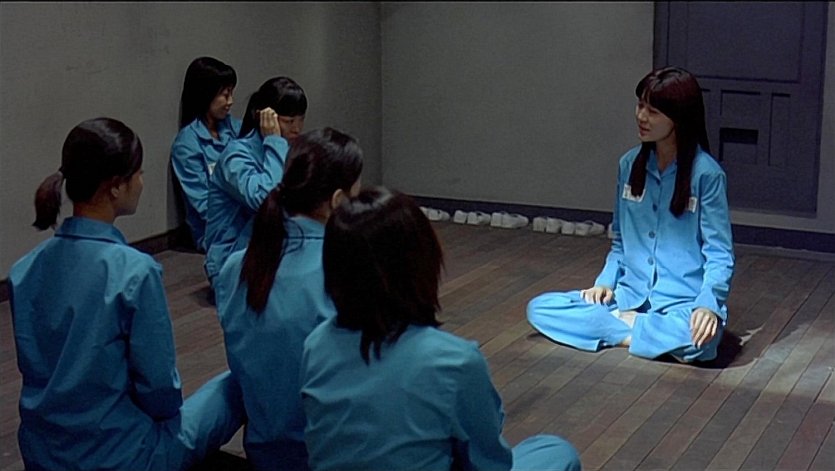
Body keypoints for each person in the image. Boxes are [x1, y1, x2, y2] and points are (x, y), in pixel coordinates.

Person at [8, 117, 245, 471]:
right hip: (120, 457)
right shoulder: (134, 272)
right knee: (235, 384)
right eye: (139, 173)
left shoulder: (23, 270)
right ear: (116, 186)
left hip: (43, 452)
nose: (142, 182)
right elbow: (161, 393)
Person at [299, 187, 582, 471]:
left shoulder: (315, 345)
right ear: (422, 263)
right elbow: (489, 462)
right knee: (557, 452)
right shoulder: (453, 361)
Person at [527, 66, 735, 363]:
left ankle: (620, 329)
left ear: (678, 118)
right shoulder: (629, 165)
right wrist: (604, 284)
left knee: (702, 342)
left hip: (681, 304)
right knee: (541, 308)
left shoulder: (707, 174)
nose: (641, 117)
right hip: (626, 297)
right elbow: (620, 243)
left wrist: (708, 305)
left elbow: (719, 253)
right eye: (640, 106)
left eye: (653, 111)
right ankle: (635, 334)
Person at [215, 127, 363, 471]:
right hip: (330, 456)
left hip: (264, 451)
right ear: (338, 200)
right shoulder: (345, 270)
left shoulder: (237, 267)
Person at [204, 76, 307, 287]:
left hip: (274, 253)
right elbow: (266, 200)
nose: (297, 128)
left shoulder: (289, 150)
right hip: (233, 260)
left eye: (301, 119)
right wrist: (274, 140)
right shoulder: (236, 156)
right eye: (289, 121)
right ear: (266, 118)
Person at [170, 56, 241, 252]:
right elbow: (204, 205)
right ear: (206, 94)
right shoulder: (187, 144)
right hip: (215, 233)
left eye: (231, 94)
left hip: (246, 221)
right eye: (225, 95)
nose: (230, 102)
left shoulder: (235, 128)